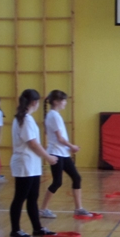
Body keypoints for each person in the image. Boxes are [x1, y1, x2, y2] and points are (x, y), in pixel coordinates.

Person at [39, 90, 95, 219]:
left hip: (62, 153)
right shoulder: (54, 116)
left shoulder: (53, 115)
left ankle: (78, 208)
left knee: (76, 178)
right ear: (56, 102)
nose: (65, 103)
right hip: (56, 153)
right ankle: (43, 209)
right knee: (57, 182)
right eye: (63, 100)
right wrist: (72, 147)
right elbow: (60, 138)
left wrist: (68, 148)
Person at [10, 89, 58, 237]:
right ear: (34, 102)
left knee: (32, 197)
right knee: (20, 197)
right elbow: (32, 143)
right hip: (24, 163)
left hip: (32, 164)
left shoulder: (25, 118)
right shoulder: (25, 119)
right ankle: (15, 230)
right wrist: (48, 157)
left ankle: (37, 228)